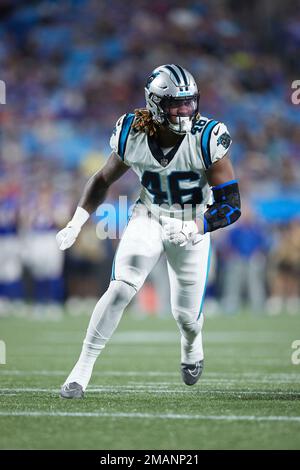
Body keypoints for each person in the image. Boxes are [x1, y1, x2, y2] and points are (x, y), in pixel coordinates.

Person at [56, 64, 241, 398]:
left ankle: (191, 343)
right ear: (155, 104)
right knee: (121, 288)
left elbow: (231, 204)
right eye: (176, 104)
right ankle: (80, 371)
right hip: (149, 215)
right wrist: (77, 220)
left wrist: (195, 226)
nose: (185, 110)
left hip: (193, 221)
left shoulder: (207, 137)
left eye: (190, 102)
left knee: (185, 315)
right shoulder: (132, 132)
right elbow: (102, 179)